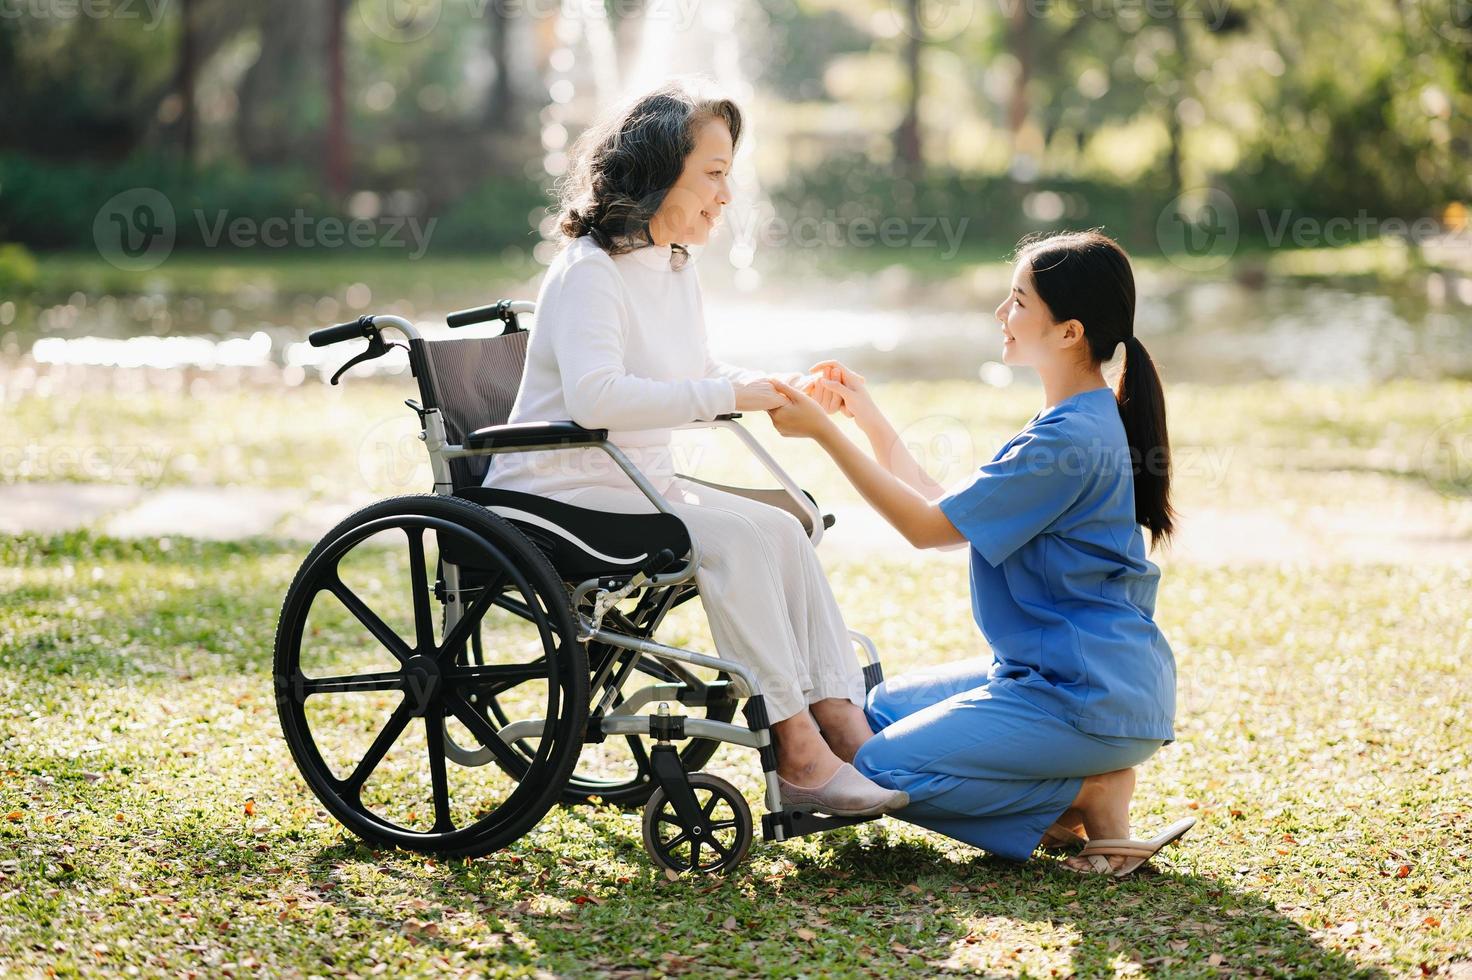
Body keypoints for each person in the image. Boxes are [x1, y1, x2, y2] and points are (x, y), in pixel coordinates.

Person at [484, 79, 905, 817]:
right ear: (656, 173)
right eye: (713, 173)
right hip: (558, 495)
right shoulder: (589, 272)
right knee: (739, 538)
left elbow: (698, 376)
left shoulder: (672, 266)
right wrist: (728, 396)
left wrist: (772, 387)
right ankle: (799, 755)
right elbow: (596, 399)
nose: (726, 195)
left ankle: (841, 720)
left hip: (632, 486)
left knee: (781, 525)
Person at [767, 230, 1194, 875]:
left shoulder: (1067, 438)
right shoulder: (1074, 419)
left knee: (876, 765)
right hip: (1053, 675)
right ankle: (1067, 801)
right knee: (867, 715)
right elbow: (948, 506)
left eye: (1018, 301)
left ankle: (1089, 791)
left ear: (1070, 330)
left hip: (1087, 693)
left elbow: (927, 528)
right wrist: (868, 417)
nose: (1002, 313)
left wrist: (825, 432)